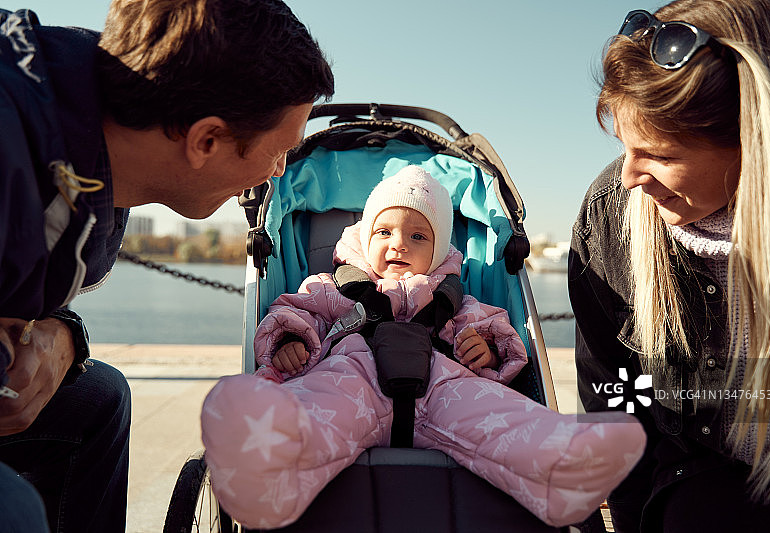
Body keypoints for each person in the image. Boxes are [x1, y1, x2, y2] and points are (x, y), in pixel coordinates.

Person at [0, 1, 334, 532]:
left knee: (97, 397)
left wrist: (61, 336)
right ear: (206, 140)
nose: (277, 173)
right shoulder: (12, 158)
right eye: (281, 152)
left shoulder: (88, 140)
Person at [201, 165, 646, 529]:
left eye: (417, 236)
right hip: (353, 380)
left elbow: (498, 332)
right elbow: (294, 313)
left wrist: (486, 353)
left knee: (493, 413)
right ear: (364, 238)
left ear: (436, 251)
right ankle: (265, 464)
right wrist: (290, 342)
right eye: (385, 233)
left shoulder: (452, 298)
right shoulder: (332, 288)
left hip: (440, 386)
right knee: (315, 408)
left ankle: (560, 462)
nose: (398, 244)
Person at [569, 1, 770, 531]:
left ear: (754, 145)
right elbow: (613, 407)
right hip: (697, 482)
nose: (629, 177)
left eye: (661, 156)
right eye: (625, 148)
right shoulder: (610, 217)